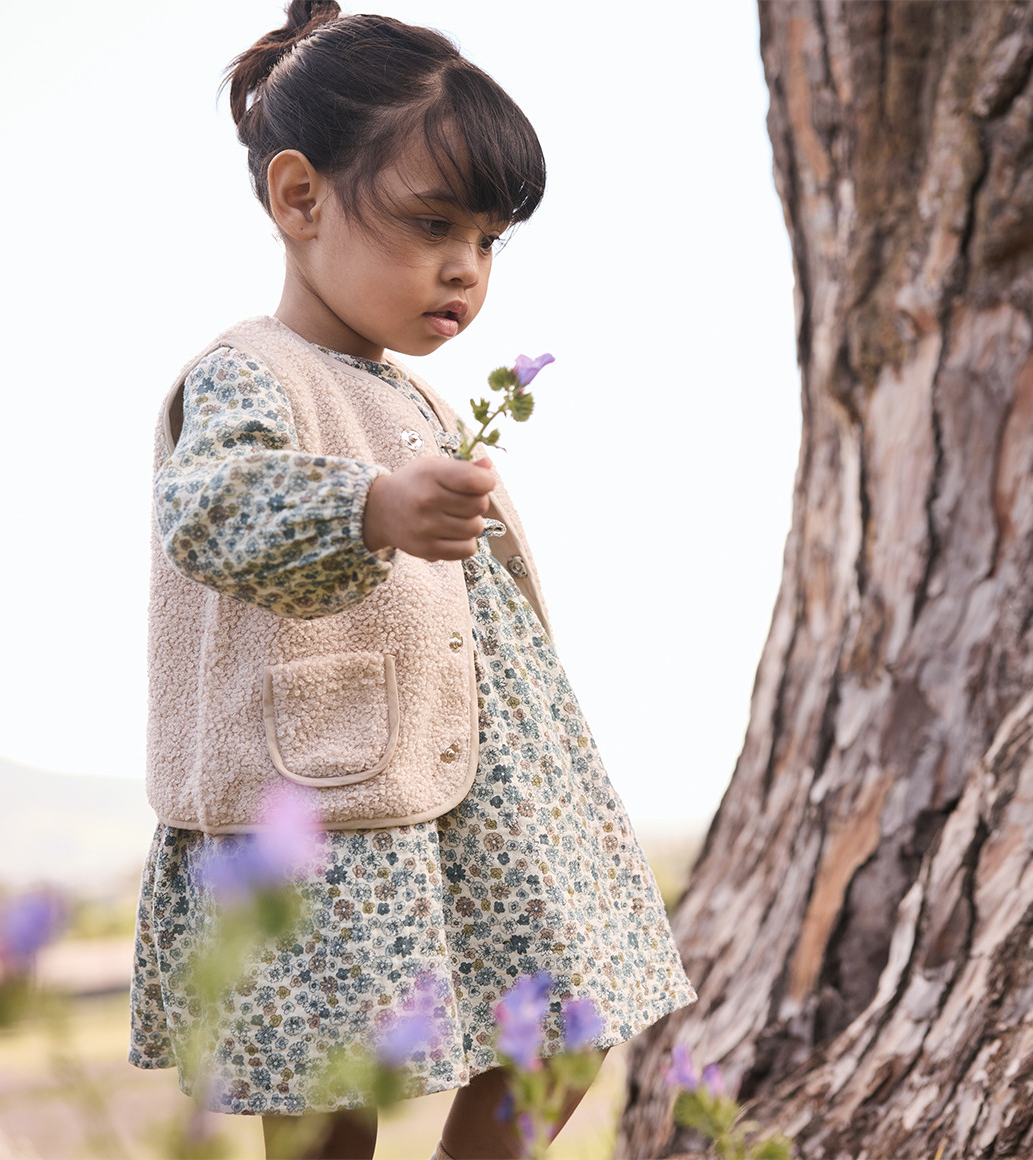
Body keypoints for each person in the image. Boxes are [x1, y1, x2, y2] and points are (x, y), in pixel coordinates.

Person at [128, 3, 696, 1157]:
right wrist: (371, 504)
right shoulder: (250, 371)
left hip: (483, 800)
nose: (465, 269)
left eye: (488, 239)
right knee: (335, 1100)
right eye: (433, 223)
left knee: (568, 1018)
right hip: (329, 814)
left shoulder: (414, 392)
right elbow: (208, 508)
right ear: (299, 199)